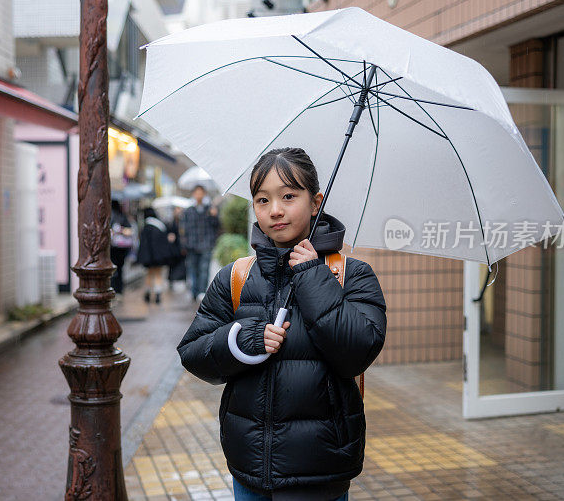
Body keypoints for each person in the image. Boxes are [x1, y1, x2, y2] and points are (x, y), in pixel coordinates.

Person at [177, 147, 387, 500]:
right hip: (249, 469)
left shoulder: (350, 275)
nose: (275, 210)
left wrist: (311, 276)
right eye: (262, 200)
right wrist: (243, 341)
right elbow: (192, 352)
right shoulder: (237, 276)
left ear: (315, 201)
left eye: (289, 196)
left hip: (321, 471)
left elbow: (357, 353)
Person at [180, 185, 220, 302]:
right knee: (193, 269)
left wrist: (214, 215)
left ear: (204, 194)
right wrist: (184, 244)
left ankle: (202, 292)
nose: (199, 195)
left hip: (206, 244)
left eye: (201, 193)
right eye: (196, 193)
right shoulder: (188, 211)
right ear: (193, 194)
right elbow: (183, 229)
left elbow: (217, 225)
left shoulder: (210, 209)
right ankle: (194, 291)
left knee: (204, 269)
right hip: (191, 245)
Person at [137, 207, 175, 304]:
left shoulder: (146, 227)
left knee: (149, 274)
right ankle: (158, 294)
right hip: (159, 257)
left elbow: (143, 245)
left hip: (148, 257)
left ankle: (148, 293)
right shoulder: (160, 226)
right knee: (158, 274)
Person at [110, 200, 133, 295]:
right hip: (121, 248)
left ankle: (115, 287)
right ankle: (118, 288)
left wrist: (118, 231)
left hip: (113, 247)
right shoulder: (123, 216)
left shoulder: (112, 216)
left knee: (114, 268)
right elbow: (130, 230)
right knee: (119, 268)